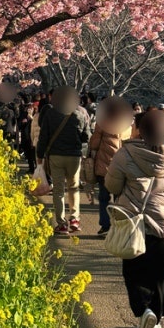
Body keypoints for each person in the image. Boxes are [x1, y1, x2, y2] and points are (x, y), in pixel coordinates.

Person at [105, 109, 164, 328]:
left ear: (140, 129)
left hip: (134, 225)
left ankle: (143, 310)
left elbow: (111, 184)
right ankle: (156, 320)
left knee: (135, 271)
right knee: (161, 275)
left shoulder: (125, 153)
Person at [37, 85, 92, 236]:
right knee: (74, 188)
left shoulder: (50, 114)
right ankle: (74, 219)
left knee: (59, 190)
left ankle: (61, 224)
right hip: (74, 156)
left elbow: (43, 137)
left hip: (55, 156)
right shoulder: (79, 115)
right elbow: (86, 137)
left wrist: (40, 156)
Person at [89, 97, 134, 236]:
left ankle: (106, 226)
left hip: (104, 165)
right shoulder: (127, 124)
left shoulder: (103, 123)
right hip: (121, 165)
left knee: (104, 197)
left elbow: (94, 144)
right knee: (119, 197)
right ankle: (119, 227)